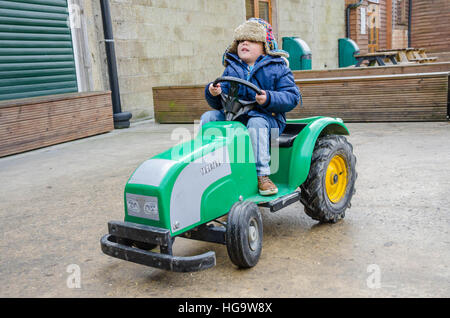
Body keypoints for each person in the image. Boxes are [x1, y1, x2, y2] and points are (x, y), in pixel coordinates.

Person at [201, 18, 301, 196]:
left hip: (268, 120)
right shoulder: (231, 68)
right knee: (208, 118)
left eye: (251, 39)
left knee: (256, 122)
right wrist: (213, 93)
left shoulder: (278, 68)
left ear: (265, 45)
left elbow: (292, 97)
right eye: (240, 40)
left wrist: (269, 98)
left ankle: (262, 174)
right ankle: (208, 168)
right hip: (236, 118)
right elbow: (220, 103)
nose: (244, 43)